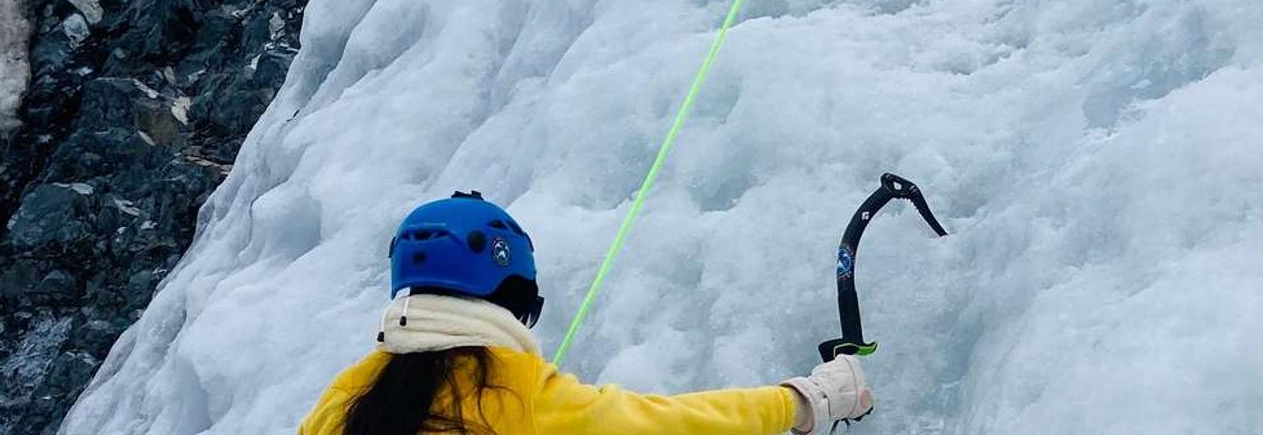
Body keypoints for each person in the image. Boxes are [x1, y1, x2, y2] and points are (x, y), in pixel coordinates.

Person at [298, 191, 875, 435]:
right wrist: (807, 400)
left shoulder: (346, 396)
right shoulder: (513, 390)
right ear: (508, 293)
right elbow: (670, 425)